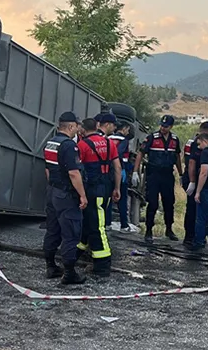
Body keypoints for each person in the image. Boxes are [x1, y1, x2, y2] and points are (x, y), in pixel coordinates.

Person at [42, 112, 88, 284]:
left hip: (53, 191)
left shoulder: (50, 143)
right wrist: (82, 195)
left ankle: (50, 266)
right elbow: (74, 173)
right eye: (76, 125)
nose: (78, 128)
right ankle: (69, 273)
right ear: (70, 127)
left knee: (52, 230)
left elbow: (47, 169)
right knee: (71, 233)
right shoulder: (69, 146)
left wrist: (53, 185)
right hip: (66, 194)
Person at [76, 115, 121, 277]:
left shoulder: (82, 145)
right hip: (106, 187)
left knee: (97, 225)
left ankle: (102, 264)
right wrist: (117, 188)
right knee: (90, 221)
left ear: (83, 129)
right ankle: (77, 251)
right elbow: (117, 167)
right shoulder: (110, 143)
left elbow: (76, 171)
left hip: (92, 189)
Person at [132, 114, 182, 243]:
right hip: (153, 174)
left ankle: (169, 229)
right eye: (161, 125)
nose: (163, 128)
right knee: (153, 203)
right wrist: (135, 172)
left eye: (165, 126)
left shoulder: (175, 140)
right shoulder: (152, 138)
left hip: (167, 174)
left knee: (169, 203)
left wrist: (181, 174)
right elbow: (140, 153)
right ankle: (149, 230)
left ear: (171, 127)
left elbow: (177, 157)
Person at [183, 122, 208, 247]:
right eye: (204, 130)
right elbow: (190, 163)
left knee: (204, 210)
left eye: (207, 131)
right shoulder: (194, 143)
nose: (205, 133)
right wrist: (192, 182)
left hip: (204, 180)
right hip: (193, 178)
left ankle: (207, 237)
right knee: (192, 208)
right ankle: (190, 237)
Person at [109, 122, 139, 233]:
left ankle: (107, 223)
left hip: (108, 171)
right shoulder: (124, 141)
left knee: (108, 199)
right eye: (128, 130)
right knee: (122, 199)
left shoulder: (108, 138)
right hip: (120, 171)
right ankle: (124, 224)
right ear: (125, 128)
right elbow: (119, 155)